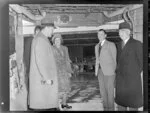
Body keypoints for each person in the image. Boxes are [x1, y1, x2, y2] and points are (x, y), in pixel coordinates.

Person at [29, 23, 59, 110]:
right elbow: (40, 61)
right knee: (44, 106)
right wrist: (47, 78)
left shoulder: (41, 38)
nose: (53, 32)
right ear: (47, 27)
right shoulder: (41, 40)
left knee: (45, 104)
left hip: (42, 80)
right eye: (52, 29)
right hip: (43, 81)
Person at [115, 22, 143, 111]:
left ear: (128, 32)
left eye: (122, 31)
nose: (120, 34)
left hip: (132, 80)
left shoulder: (137, 44)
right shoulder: (118, 45)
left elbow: (142, 62)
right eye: (119, 32)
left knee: (132, 104)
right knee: (121, 104)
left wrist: (133, 73)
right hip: (121, 80)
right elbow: (118, 61)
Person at [95, 29, 117, 111]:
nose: (99, 36)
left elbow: (114, 59)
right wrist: (96, 71)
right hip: (100, 72)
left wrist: (113, 71)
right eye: (98, 34)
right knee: (103, 93)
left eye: (101, 34)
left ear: (105, 35)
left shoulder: (111, 44)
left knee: (110, 93)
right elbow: (97, 59)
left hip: (109, 72)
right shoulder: (96, 46)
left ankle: (111, 109)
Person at [52, 34, 73, 110]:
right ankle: (56, 105)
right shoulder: (51, 48)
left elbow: (67, 59)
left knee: (66, 88)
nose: (58, 41)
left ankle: (64, 104)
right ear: (54, 41)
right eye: (56, 40)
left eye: (59, 40)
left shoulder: (65, 48)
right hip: (55, 71)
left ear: (61, 41)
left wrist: (69, 71)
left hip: (64, 70)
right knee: (57, 88)